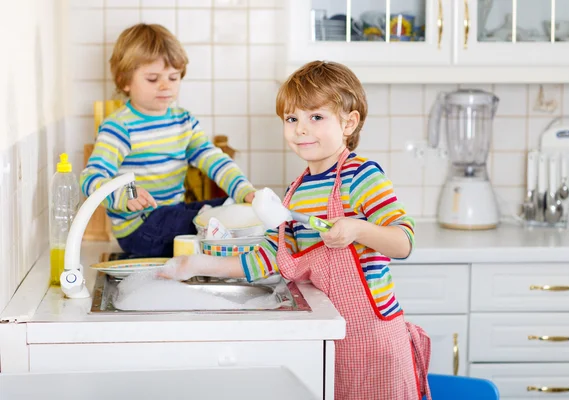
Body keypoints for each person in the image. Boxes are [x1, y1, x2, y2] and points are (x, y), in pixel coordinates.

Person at [159, 61, 431, 400]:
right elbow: (270, 257)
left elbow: (403, 241)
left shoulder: (361, 176)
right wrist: (198, 265)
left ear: (349, 122)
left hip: (374, 344)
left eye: (316, 117)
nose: (301, 129)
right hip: (328, 339)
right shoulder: (295, 191)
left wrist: (357, 228)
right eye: (292, 119)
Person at [81, 24, 256, 258]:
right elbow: (91, 178)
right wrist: (123, 195)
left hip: (171, 215)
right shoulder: (120, 127)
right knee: (211, 220)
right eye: (153, 79)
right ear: (125, 81)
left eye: (173, 77)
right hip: (139, 230)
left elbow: (213, 159)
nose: (165, 86)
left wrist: (244, 191)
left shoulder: (184, 121)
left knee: (230, 206)